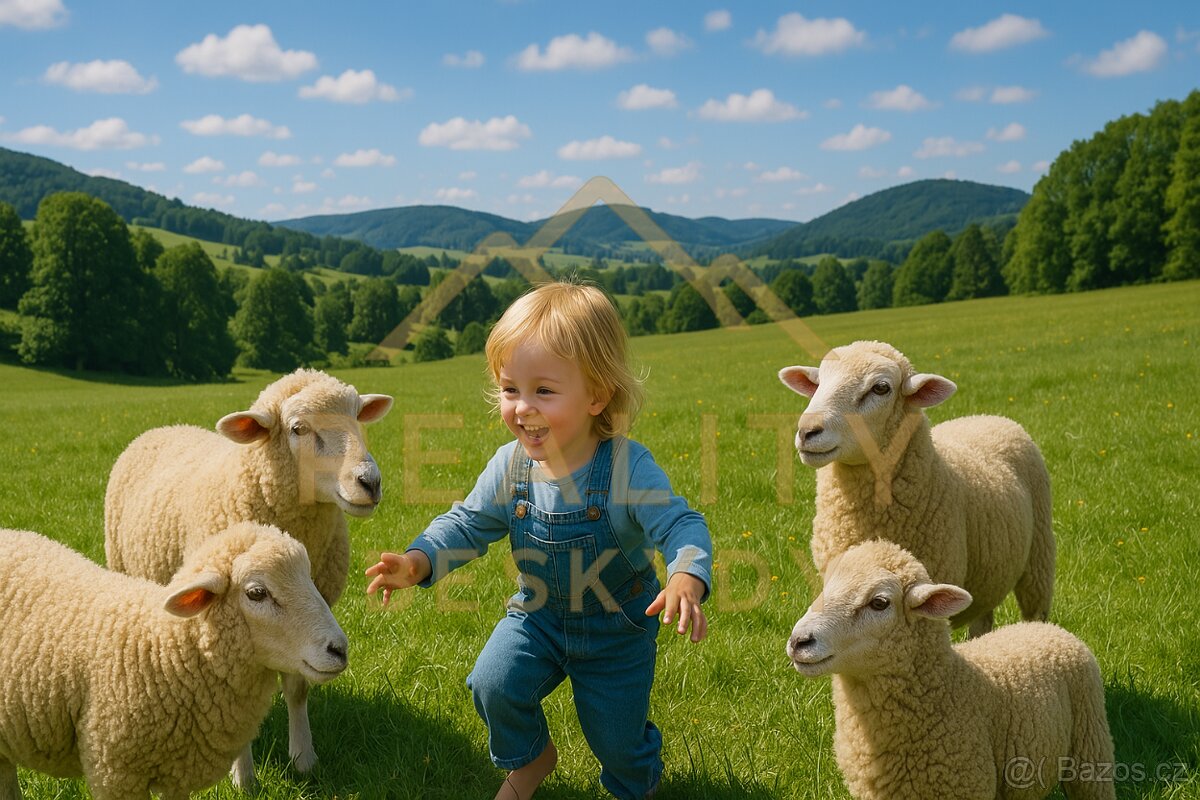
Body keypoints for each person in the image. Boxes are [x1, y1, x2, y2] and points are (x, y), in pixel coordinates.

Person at [367, 280, 712, 800]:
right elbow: (467, 522)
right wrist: (419, 560)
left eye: (544, 391)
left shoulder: (626, 467)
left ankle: (634, 785)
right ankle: (530, 760)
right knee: (494, 681)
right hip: (539, 615)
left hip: (617, 629)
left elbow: (682, 525)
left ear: (597, 394)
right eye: (511, 389)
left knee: (617, 741)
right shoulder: (511, 468)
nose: (522, 408)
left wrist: (686, 574)